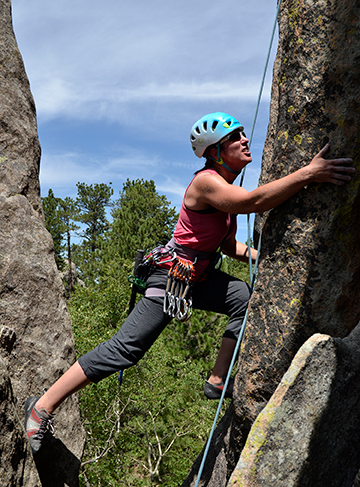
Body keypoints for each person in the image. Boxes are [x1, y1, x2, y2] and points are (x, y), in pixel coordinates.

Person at [24, 112, 355, 455]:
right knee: (126, 349)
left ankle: (217, 379)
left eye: (243, 133)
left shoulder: (225, 191)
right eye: (234, 137)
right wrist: (308, 174)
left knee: (242, 296)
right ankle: (42, 407)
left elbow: (228, 247)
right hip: (171, 278)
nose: (244, 140)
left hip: (199, 278)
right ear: (214, 151)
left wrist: (267, 259)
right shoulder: (206, 182)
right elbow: (250, 203)